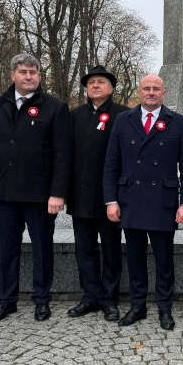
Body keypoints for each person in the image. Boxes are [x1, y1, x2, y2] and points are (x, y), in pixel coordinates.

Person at [0, 53, 73, 323]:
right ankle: (6, 300)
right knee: (7, 249)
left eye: (33, 72)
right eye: (23, 72)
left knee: (42, 250)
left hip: (40, 195)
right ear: (13, 75)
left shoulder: (55, 107)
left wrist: (58, 193)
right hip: (6, 194)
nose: (29, 76)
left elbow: (63, 154)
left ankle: (41, 300)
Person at [103, 74, 183, 331]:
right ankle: (137, 306)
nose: (151, 93)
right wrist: (111, 200)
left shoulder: (177, 122)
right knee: (135, 258)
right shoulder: (123, 120)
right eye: (147, 88)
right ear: (139, 92)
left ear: (164, 93)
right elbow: (111, 164)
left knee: (165, 260)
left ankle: (165, 308)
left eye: (156, 89)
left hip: (163, 202)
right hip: (130, 199)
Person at [67, 65, 128, 321]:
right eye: (91, 82)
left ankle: (109, 298)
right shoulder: (74, 115)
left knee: (112, 249)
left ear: (111, 88)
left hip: (110, 198)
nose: (95, 85)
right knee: (85, 249)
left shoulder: (124, 115)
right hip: (80, 195)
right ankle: (90, 295)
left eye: (101, 82)